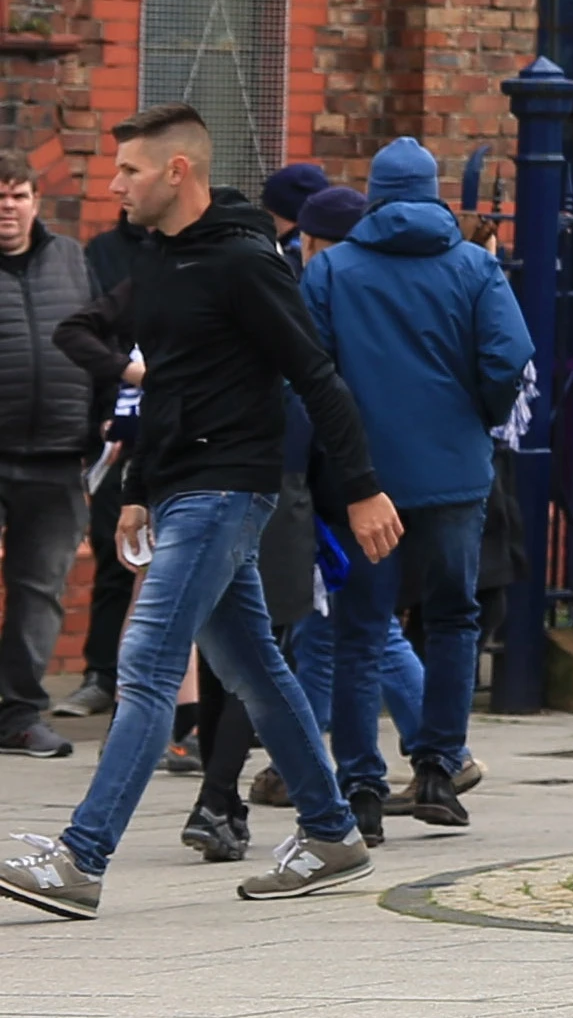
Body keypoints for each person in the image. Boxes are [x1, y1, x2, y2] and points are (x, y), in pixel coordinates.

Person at [0, 107, 399, 918]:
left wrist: (361, 486)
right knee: (254, 666)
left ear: (178, 173)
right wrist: (139, 487)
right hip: (181, 486)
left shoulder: (245, 264)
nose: (115, 187)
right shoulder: (161, 261)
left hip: (228, 486)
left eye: (131, 173)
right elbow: (168, 387)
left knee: (146, 666)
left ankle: (81, 858)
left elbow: (318, 378)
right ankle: (330, 832)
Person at [295, 139, 528, 834]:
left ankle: (362, 788)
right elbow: (509, 357)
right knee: (454, 619)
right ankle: (436, 769)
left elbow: (309, 375)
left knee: (361, 633)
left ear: (373, 196)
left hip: (362, 482)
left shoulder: (332, 270)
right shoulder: (477, 267)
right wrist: (476, 416)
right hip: (455, 476)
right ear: (433, 193)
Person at [0, 164, 108, 761]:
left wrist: (99, 427)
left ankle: (19, 716)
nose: (8, 208)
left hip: (59, 454)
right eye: (0, 198)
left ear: (37, 201)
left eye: (18, 196)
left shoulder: (70, 258)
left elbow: (99, 342)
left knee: (39, 591)